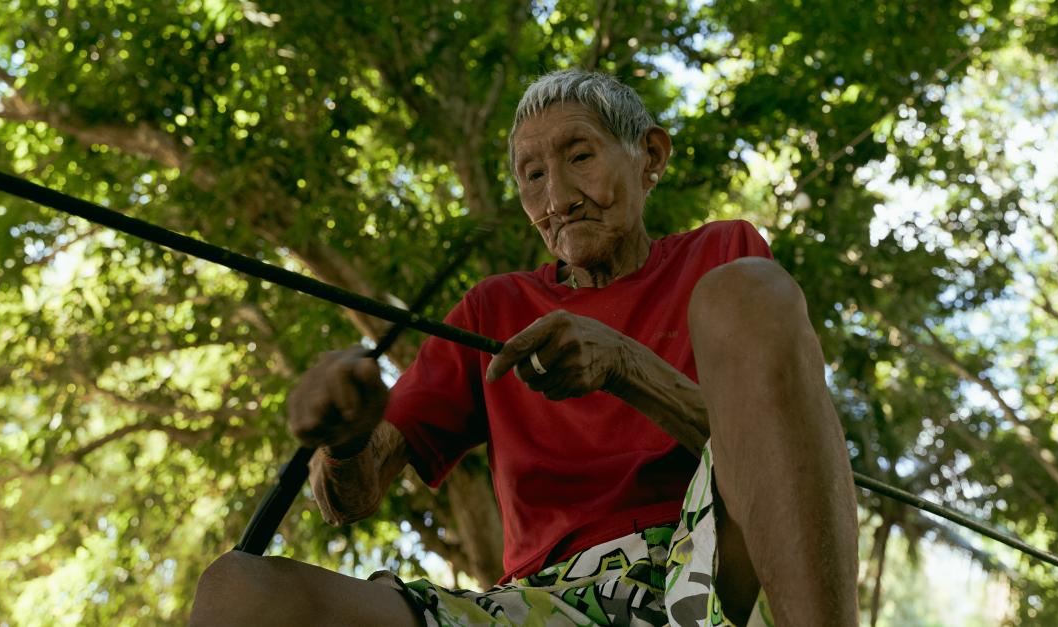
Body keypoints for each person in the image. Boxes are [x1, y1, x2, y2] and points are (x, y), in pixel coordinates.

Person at [190, 69, 858, 626]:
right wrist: (341, 437)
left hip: (715, 564)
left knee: (751, 290)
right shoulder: (495, 308)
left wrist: (623, 364)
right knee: (238, 594)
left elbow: (772, 450)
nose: (558, 199)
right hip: (544, 603)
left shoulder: (720, 260)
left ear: (650, 155)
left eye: (579, 156)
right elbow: (352, 495)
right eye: (531, 176)